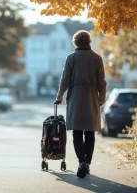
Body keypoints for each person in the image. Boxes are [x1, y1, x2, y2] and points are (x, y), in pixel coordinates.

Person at [55, 30, 106, 178]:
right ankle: (87, 163)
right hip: (91, 97)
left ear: (75, 42)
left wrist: (59, 96)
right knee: (89, 131)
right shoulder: (97, 58)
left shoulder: (71, 58)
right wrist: (102, 98)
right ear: (89, 41)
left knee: (77, 131)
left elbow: (65, 80)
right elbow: (101, 81)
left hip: (76, 96)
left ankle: (81, 161)